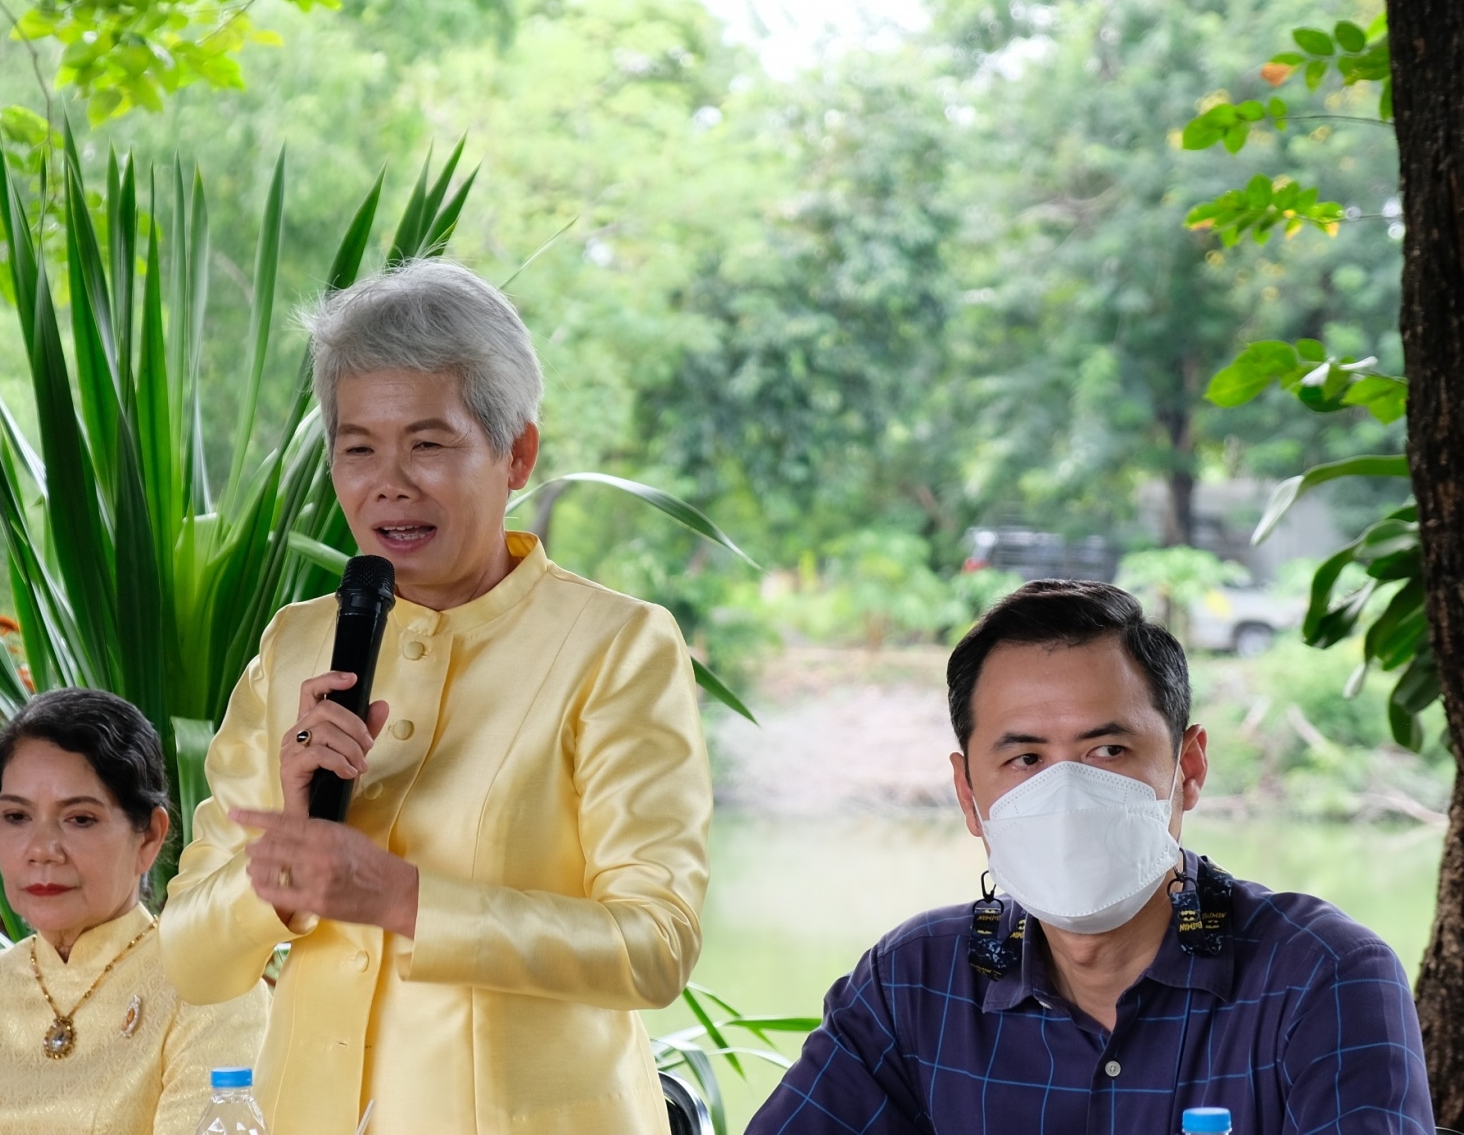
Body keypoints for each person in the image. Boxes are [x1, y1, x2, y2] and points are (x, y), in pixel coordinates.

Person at [160, 258, 711, 1135]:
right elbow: (190, 962)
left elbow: (656, 947)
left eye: (428, 444)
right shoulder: (296, 644)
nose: (389, 483)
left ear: (516, 453)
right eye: (358, 449)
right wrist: (281, 864)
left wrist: (407, 900)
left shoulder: (614, 646)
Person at [747, 578, 1435, 1135]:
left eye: (1108, 750)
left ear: (1188, 768)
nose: (1067, 793)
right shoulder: (913, 984)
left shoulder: (1320, 978)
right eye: (1025, 759)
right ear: (968, 794)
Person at [0, 689, 268, 1135]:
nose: (41, 850)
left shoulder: (211, 991)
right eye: (17, 816)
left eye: (80, 819)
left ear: (149, 837)